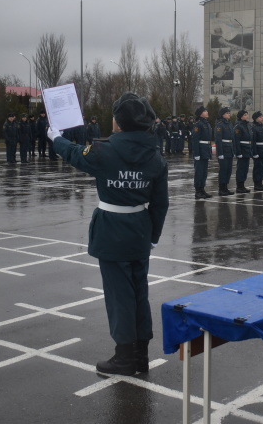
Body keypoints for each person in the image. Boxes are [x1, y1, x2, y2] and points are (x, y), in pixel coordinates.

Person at [47, 92, 169, 376]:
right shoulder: (155, 156)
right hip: (140, 230)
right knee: (139, 294)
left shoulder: (105, 151)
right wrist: (152, 236)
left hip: (112, 230)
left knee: (119, 297)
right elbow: (161, 203)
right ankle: (140, 356)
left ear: (118, 123)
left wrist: (56, 138)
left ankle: (124, 358)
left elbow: (74, 154)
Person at [191, 106, 213, 199]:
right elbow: (195, 140)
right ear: (200, 114)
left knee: (204, 172)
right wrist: (196, 153)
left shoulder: (206, 124)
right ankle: (198, 191)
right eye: (204, 111)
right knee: (199, 171)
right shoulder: (198, 124)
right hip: (200, 150)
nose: (207, 112)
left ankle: (202, 189)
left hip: (205, 149)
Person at [215, 106, 235, 196]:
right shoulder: (220, 125)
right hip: (224, 149)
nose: (229, 114)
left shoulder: (229, 124)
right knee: (223, 170)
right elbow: (218, 139)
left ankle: (226, 187)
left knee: (229, 170)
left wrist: (233, 150)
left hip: (229, 149)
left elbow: (232, 138)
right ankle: (221, 188)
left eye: (229, 113)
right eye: (227, 113)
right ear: (222, 115)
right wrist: (220, 153)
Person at [233, 110, 253, 193]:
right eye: (245, 115)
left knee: (245, 168)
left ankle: (242, 185)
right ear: (241, 116)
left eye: (247, 114)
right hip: (242, 149)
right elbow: (236, 140)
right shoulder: (238, 126)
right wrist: (238, 152)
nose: (247, 116)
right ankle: (239, 186)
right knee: (241, 168)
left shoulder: (247, 125)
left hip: (247, 149)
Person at [251, 111, 263, 191]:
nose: (262, 118)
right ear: (256, 118)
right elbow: (253, 141)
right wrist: (254, 152)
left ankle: (260, 182)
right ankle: (257, 184)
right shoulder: (254, 127)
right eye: (261, 117)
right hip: (258, 150)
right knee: (257, 168)